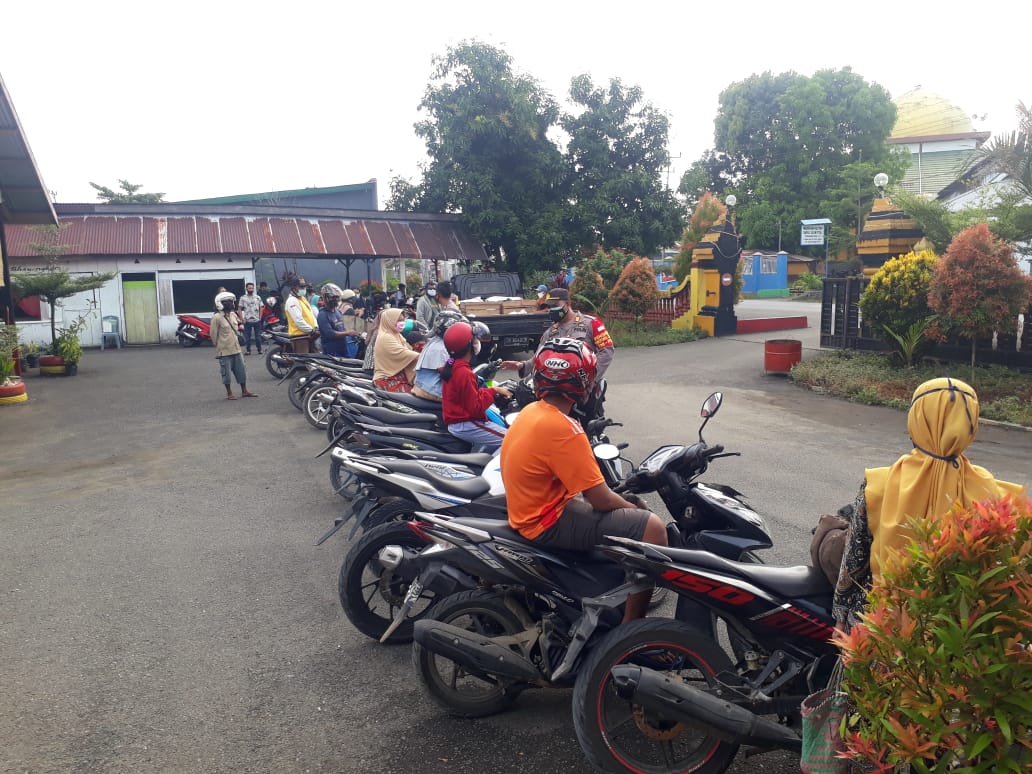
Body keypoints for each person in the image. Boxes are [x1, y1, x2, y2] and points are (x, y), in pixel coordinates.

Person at [833, 377, 1025, 633]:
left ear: (917, 419)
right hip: (958, 636)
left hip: (883, 627)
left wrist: (840, 615)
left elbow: (854, 560)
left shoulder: (881, 483)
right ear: (970, 423)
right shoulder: (994, 492)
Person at [500, 338, 667, 622]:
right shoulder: (565, 428)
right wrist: (637, 509)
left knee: (623, 513)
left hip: (529, 511)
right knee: (653, 528)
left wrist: (621, 502)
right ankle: (633, 633)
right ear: (584, 382)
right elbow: (601, 500)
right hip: (547, 520)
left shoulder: (532, 412)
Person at [440, 322, 512, 454]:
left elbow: (468, 396)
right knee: (513, 440)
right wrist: (492, 392)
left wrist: (493, 390)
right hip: (466, 424)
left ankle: (482, 461)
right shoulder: (464, 373)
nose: (478, 342)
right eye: (475, 340)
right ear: (468, 346)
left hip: (459, 422)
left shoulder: (453, 364)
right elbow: (475, 408)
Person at [210, 291, 257, 400]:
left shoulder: (233, 314)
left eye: (232, 301)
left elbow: (239, 325)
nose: (231, 304)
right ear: (220, 303)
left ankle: (244, 391)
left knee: (242, 371)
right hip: (225, 350)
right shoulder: (216, 318)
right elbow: (213, 335)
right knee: (226, 374)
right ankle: (229, 393)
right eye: (228, 302)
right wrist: (219, 346)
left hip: (237, 348)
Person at [411, 309, 466, 401]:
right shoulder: (442, 348)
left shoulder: (435, 341)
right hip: (432, 391)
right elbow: (448, 372)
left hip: (423, 387)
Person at [372, 307, 420, 392]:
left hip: (398, 377)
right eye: (398, 320)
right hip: (388, 379)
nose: (402, 323)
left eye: (403, 320)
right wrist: (425, 358)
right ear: (389, 321)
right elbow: (404, 353)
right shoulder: (385, 337)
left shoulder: (396, 335)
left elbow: (409, 348)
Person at [317, 283, 362, 358]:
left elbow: (343, 326)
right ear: (327, 298)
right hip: (332, 352)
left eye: (337, 297)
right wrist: (348, 333)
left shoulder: (337, 312)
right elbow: (330, 334)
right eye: (334, 298)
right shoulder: (323, 315)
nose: (336, 300)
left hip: (343, 348)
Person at [283, 277, 317, 354]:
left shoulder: (302, 299)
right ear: (294, 288)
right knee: (302, 362)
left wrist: (315, 327)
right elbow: (298, 321)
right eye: (301, 287)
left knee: (315, 360)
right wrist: (311, 330)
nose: (304, 288)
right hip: (300, 337)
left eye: (304, 286)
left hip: (309, 335)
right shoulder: (291, 301)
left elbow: (311, 315)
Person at [237, 281, 263, 355]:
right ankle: (248, 350)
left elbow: (261, 307)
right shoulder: (243, 298)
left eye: (252, 288)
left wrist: (260, 316)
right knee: (247, 338)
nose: (251, 289)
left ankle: (259, 349)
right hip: (247, 320)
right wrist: (242, 319)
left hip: (256, 320)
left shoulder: (258, 297)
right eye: (249, 288)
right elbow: (239, 308)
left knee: (258, 337)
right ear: (246, 288)